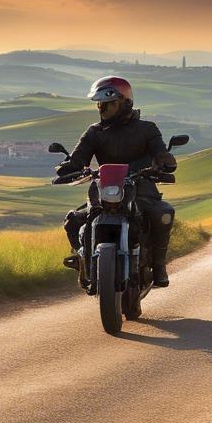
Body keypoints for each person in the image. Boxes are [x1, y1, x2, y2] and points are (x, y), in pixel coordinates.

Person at [56, 75, 179, 287]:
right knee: (73, 220)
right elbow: (79, 159)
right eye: (99, 104)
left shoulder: (147, 129)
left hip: (141, 190)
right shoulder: (94, 132)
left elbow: (160, 152)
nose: (101, 109)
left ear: (123, 102)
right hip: (104, 190)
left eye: (107, 104)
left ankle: (159, 266)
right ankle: (83, 260)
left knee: (163, 214)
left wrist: (164, 162)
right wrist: (66, 169)